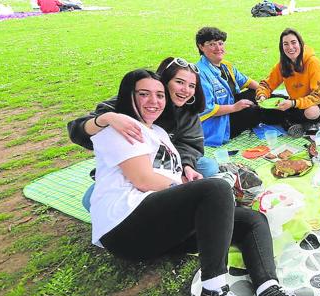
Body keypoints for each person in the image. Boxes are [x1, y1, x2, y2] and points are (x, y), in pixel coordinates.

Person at [90, 69, 320, 296]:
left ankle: (269, 291)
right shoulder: (122, 127)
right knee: (216, 189)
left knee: (252, 220)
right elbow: (143, 180)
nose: (153, 101)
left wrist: (188, 179)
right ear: (129, 95)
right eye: (144, 94)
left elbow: (170, 175)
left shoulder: (158, 132)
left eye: (158, 95)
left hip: (162, 226)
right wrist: (198, 195)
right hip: (127, 228)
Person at [68, 57, 218, 210]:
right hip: (132, 165)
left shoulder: (187, 112)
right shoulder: (129, 101)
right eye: (179, 82)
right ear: (163, 81)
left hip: (167, 164)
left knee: (208, 167)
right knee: (90, 200)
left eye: (191, 85)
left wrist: (186, 165)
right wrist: (108, 118)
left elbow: (189, 144)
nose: (186, 90)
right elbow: (77, 131)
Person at [256, 28, 320, 133]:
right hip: (294, 103)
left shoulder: (313, 63)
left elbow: (317, 96)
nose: (290, 47)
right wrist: (262, 95)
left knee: (311, 112)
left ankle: (291, 122)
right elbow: (267, 84)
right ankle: (296, 123)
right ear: (282, 47)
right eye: (286, 44)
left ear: (300, 44)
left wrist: (293, 103)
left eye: (293, 42)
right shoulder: (283, 64)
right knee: (264, 112)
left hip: (317, 104)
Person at [195, 27, 261, 147]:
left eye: (220, 43)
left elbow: (248, 82)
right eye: (212, 44)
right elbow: (207, 108)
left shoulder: (226, 66)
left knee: (257, 94)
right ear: (201, 47)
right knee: (255, 111)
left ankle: (290, 114)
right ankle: (289, 121)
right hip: (218, 122)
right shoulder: (200, 73)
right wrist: (235, 107)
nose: (218, 48)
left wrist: (264, 93)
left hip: (233, 108)